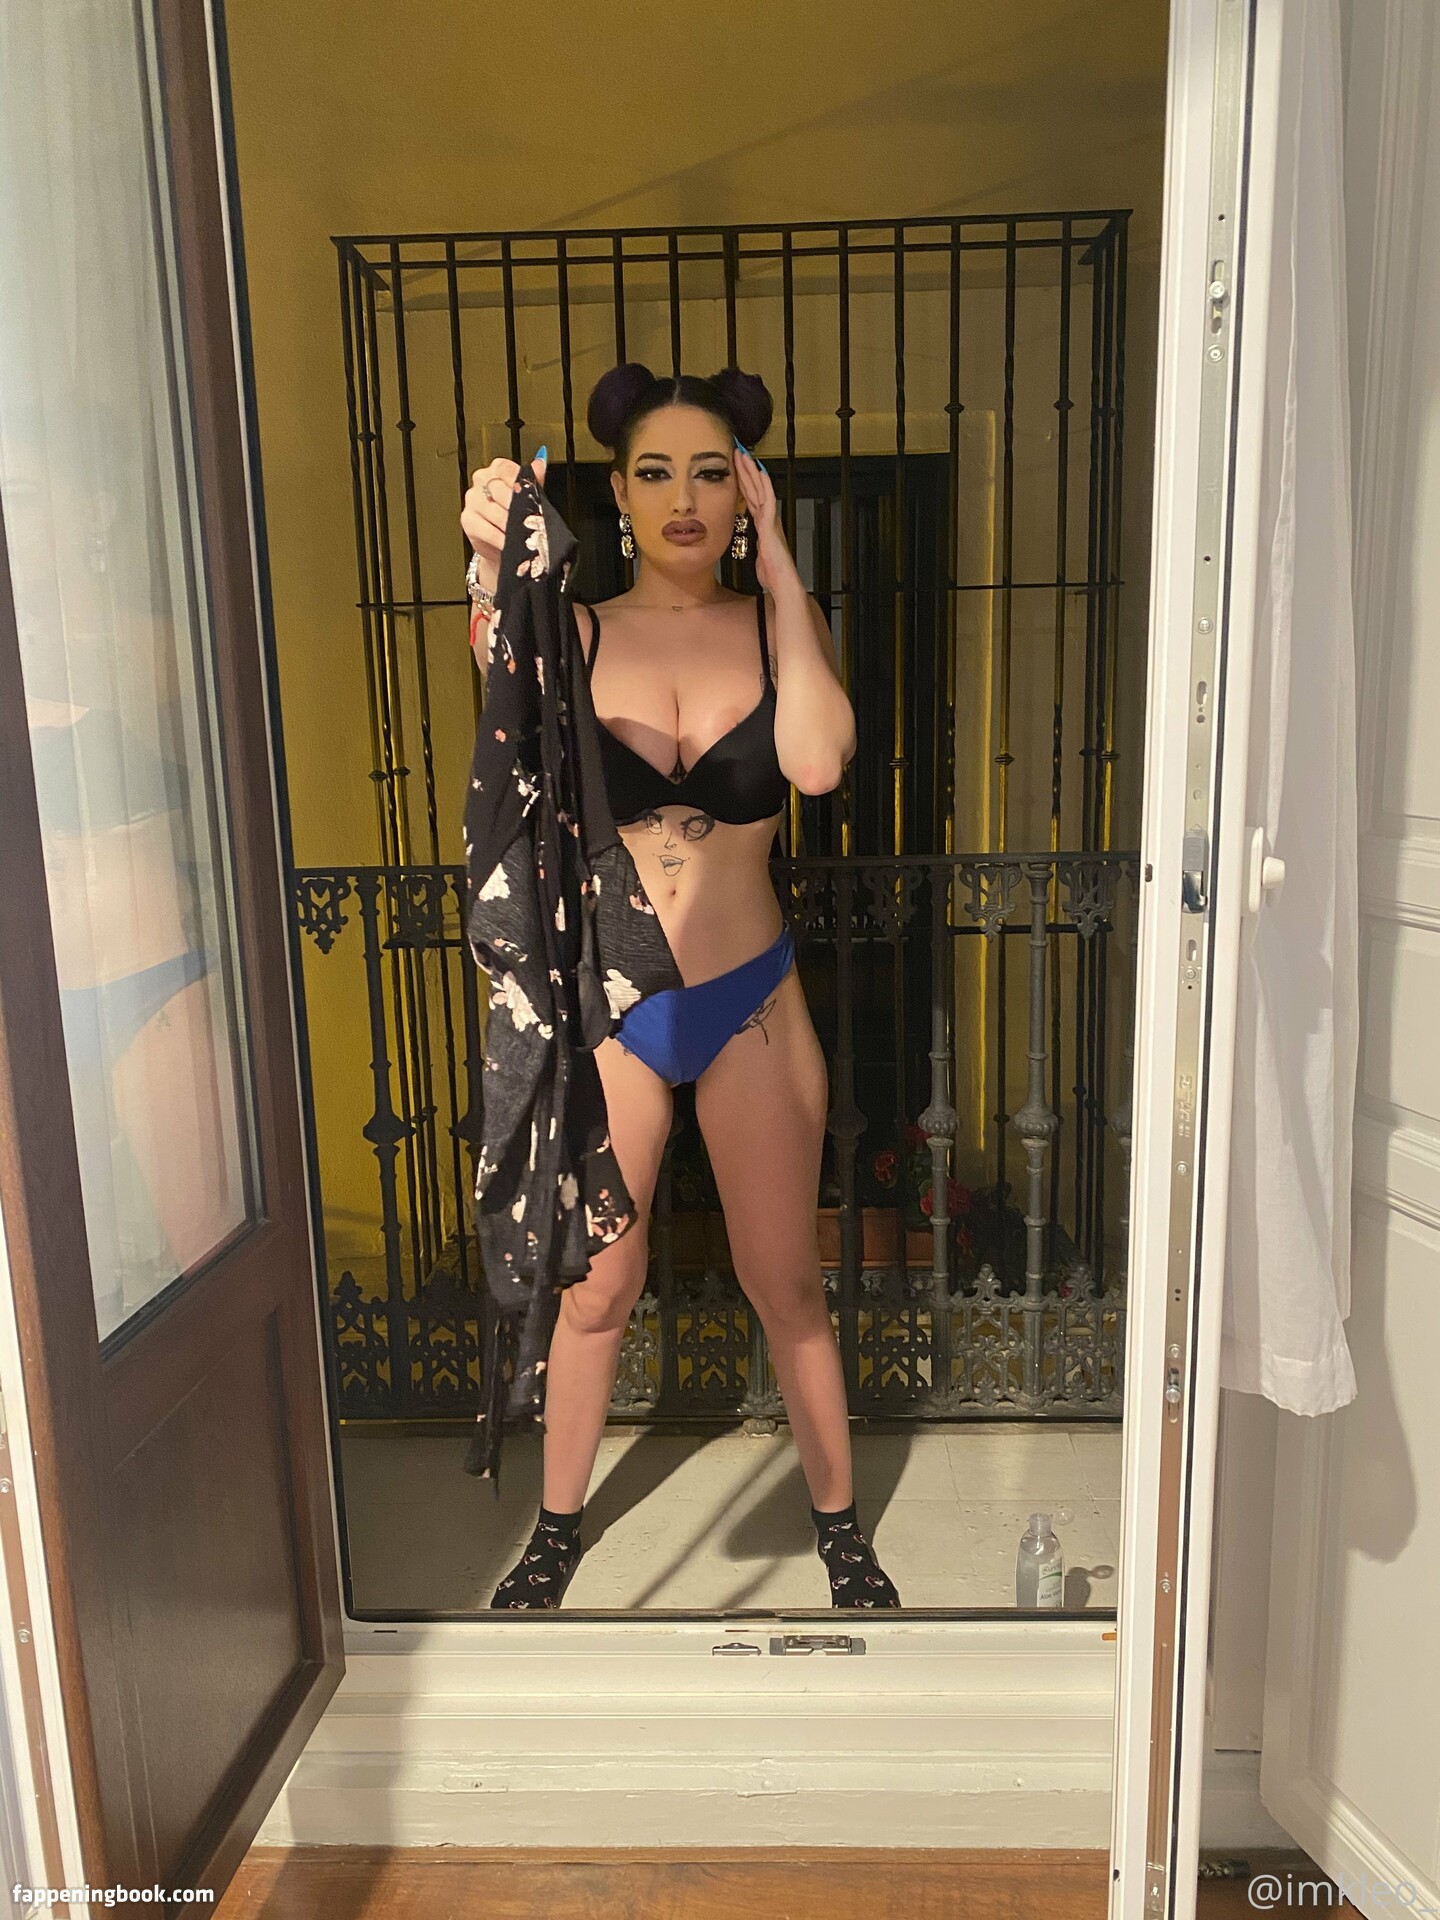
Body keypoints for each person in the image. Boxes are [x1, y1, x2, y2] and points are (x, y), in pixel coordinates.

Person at [460, 362, 900, 1611]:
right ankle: (553, 1534)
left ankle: (841, 1536)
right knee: (599, 1286)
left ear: (747, 491)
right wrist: (489, 561)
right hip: (616, 1005)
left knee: (786, 1282)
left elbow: (817, 762)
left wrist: (785, 575)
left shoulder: (773, 628)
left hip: (749, 997)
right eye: (655, 473)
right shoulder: (577, 628)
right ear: (618, 493)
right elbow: (499, 688)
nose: (684, 498)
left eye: (713, 473)